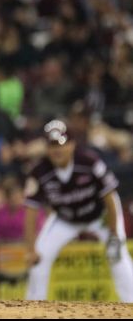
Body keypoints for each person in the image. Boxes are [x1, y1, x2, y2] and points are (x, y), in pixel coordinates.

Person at [24, 120, 133, 302]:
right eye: (51, 145)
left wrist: (114, 233)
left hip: (100, 216)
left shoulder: (89, 161)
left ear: (72, 144)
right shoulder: (39, 171)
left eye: (61, 144)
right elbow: (31, 210)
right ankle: (33, 308)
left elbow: (110, 197)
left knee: (118, 257)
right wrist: (30, 249)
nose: (57, 150)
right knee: (38, 260)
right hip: (65, 219)